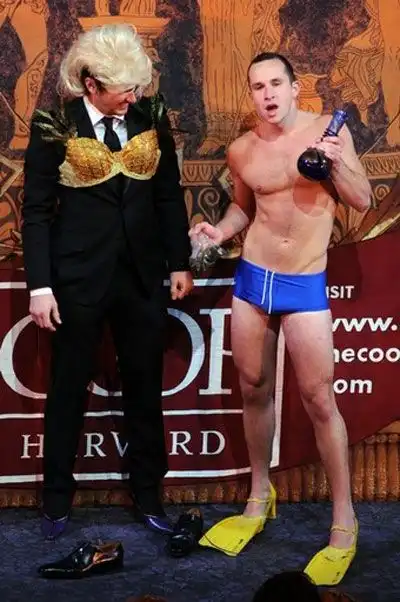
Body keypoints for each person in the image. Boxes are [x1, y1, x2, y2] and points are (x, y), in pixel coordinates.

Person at [190, 52, 371, 586]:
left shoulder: (328, 132)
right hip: (254, 279)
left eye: (275, 83)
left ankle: (345, 519)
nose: (267, 94)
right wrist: (220, 232)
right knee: (252, 388)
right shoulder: (242, 149)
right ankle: (258, 496)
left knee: (319, 399)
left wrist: (337, 163)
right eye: (257, 86)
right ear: (251, 95)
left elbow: (361, 200)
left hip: (304, 281)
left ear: (295, 88)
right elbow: (244, 208)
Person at [22, 23, 193, 540]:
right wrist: (40, 286)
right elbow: (36, 211)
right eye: (124, 89)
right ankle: (57, 499)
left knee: (145, 389)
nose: (133, 97)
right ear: (91, 83)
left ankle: (148, 495)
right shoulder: (55, 123)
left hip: (141, 277)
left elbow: (168, 194)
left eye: (138, 87)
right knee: (67, 389)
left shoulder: (150, 116)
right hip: (76, 280)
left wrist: (179, 262)